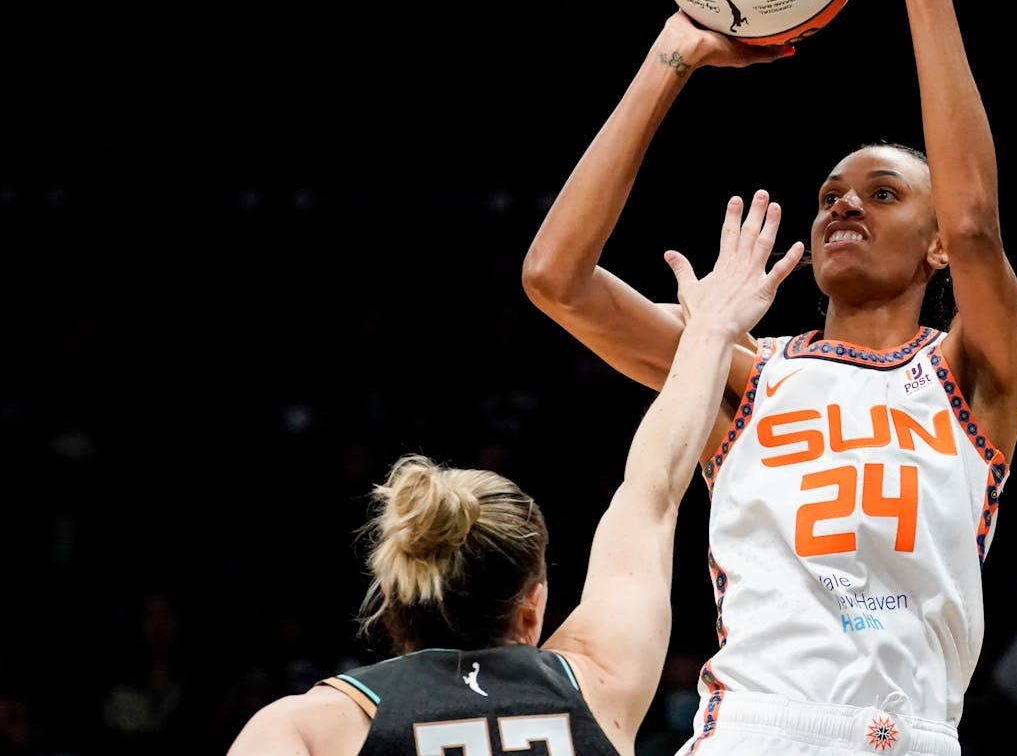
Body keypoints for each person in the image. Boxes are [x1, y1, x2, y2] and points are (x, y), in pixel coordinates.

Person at [521, 0, 1017, 756]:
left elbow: (976, 228)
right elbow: (554, 278)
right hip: (757, 729)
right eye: (830, 195)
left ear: (932, 251)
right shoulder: (745, 373)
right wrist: (668, 61)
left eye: (881, 193)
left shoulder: (980, 368)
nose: (844, 203)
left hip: (920, 735)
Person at [226, 191, 805, 756]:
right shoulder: (600, 685)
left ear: (398, 597)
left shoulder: (311, 726)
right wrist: (709, 332)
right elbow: (652, 489)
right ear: (532, 608)